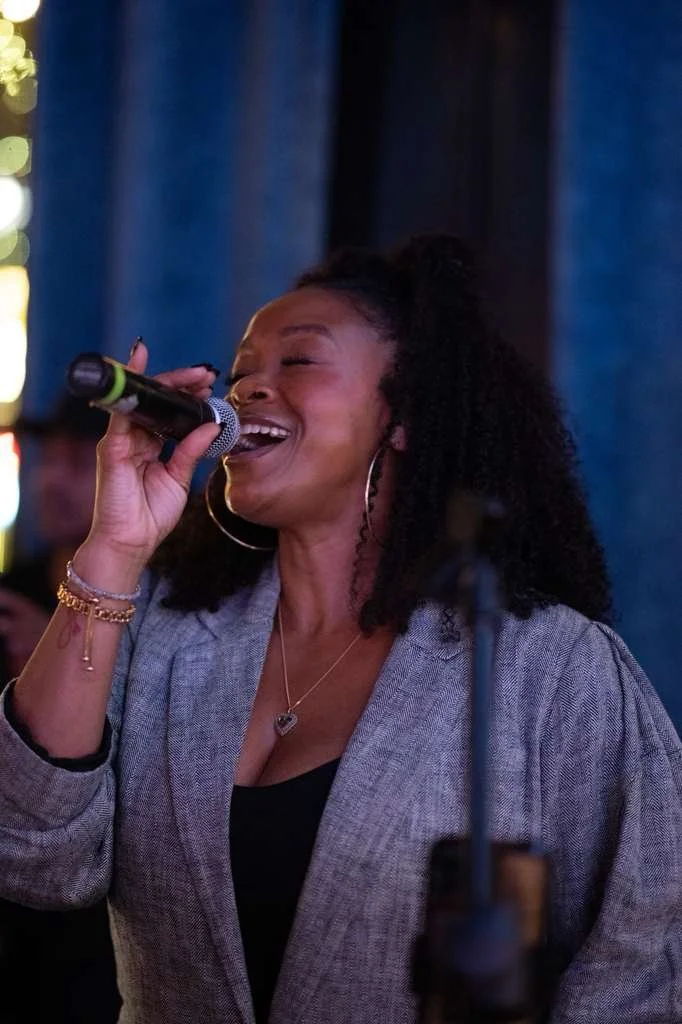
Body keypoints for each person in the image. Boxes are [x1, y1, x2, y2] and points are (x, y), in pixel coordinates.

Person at [0, 235, 679, 1024]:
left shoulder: (550, 668)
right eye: (243, 370)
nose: (249, 389)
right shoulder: (166, 633)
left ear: (406, 416)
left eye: (298, 363)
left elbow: (642, 971)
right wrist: (113, 549)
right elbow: (30, 851)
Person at [0, 394, 121, 1024]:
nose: (52, 479)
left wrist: (46, 659)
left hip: (93, 929)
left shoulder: (168, 613)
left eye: (81, 463)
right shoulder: (13, 586)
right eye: (48, 460)